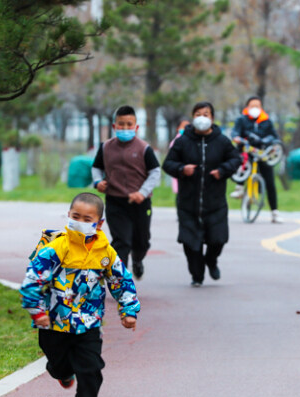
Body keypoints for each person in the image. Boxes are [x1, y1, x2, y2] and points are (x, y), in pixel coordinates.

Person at [20, 192, 140, 397]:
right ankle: (60, 372)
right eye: (76, 216)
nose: (80, 222)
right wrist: (37, 311)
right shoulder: (56, 249)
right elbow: (32, 280)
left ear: (99, 223)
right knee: (59, 364)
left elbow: (121, 281)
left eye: (87, 218)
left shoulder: (106, 253)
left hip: (89, 322)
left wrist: (128, 310)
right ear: (68, 215)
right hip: (54, 323)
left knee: (92, 368)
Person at [162, 101, 242, 286]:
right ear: (192, 117)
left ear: (212, 118)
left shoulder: (222, 141)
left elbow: (235, 159)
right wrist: (182, 169)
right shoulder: (183, 141)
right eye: (198, 114)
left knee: (218, 239)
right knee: (190, 243)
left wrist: (222, 171)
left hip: (215, 202)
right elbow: (168, 164)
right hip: (188, 202)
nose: (202, 118)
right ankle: (196, 275)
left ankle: (212, 261)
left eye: (206, 114)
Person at [92, 105, 161, 279]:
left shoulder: (144, 148)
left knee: (141, 242)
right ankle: (120, 279)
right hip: (115, 201)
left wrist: (143, 192)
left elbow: (155, 172)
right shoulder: (106, 147)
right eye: (121, 124)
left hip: (140, 202)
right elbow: (96, 168)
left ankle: (138, 260)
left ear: (136, 127)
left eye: (129, 124)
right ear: (114, 127)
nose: (124, 128)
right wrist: (98, 182)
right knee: (121, 241)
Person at [230, 96, 284, 223]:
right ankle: (239, 188)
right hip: (246, 151)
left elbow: (275, 137)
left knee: (270, 182)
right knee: (240, 163)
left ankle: (274, 213)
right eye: (252, 106)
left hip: (262, 153)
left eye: (257, 106)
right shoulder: (241, 120)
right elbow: (235, 133)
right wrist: (237, 138)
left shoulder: (266, 121)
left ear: (261, 108)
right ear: (247, 107)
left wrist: (272, 144)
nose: (255, 108)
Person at [169, 119, 190, 195]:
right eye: (183, 126)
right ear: (178, 128)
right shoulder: (175, 142)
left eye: (188, 126)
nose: (186, 128)